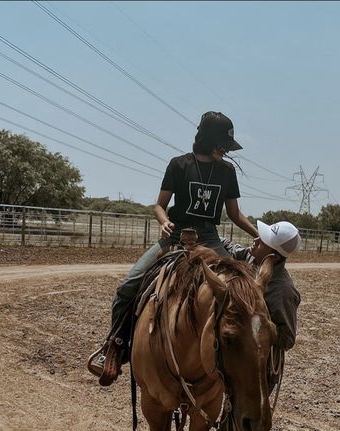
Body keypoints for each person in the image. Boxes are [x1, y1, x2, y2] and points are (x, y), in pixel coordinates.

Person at [88, 112, 258, 386]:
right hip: (177, 235)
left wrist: (262, 235)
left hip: (210, 238)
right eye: (223, 145)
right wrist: (164, 221)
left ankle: (252, 356)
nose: (226, 152)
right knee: (128, 286)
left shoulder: (227, 172)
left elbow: (235, 215)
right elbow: (159, 205)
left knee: (243, 289)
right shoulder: (179, 165)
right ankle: (114, 346)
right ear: (209, 141)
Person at [221, 220, 302, 431]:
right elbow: (234, 249)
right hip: (244, 363)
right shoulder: (254, 262)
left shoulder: (282, 289)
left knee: (240, 427)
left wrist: (262, 328)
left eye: (262, 238)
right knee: (236, 426)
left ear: (274, 254)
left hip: (260, 369)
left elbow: (288, 337)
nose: (256, 239)